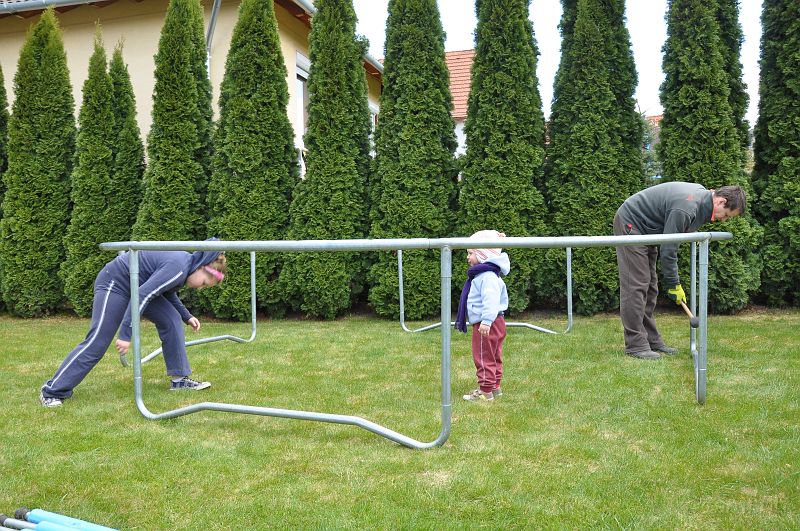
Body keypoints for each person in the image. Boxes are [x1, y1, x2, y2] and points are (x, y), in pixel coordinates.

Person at [40, 241, 227, 407]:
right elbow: (143, 295)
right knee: (98, 341)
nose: (200, 287)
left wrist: (186, 315)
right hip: (115, 283)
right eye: (204, 283)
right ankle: (52, 391)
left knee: (171, 319)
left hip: (137, 286)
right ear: (201, 267)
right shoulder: (178, 266)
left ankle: (179, 380)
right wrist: (125, 334)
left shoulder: (184, 267)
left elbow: (166, 290)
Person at [614, 183, 745, 360]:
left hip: (647, 229)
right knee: (636, 285)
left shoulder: (701, 201)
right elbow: (669, 248)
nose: (724, 220)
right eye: (727, 215)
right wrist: (674, 284)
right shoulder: (686, 207)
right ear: (721, 201)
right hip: (632, 223)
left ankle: (652, 340)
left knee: (650, 287)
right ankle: (636, 345)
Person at [456, 230, 509, 402]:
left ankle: (485, 391)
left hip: (487, 323)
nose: (468, 257)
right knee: (494, 355)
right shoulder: (488, 274)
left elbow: (491, 300)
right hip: (495, 321)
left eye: (471, 253)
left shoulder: (486, 277)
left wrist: (486, 321)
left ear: (483, 255)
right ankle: (495, 387)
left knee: (483, 356)